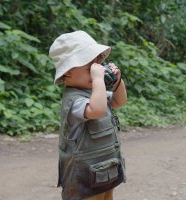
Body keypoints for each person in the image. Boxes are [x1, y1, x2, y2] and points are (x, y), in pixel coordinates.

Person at [49, 30, 127, 200]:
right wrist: (98, 79)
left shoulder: (93, 91)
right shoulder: (74, 100)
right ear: (68, 71)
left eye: (98, 64)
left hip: (104, 169)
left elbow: (118, 102)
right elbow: (97, 110)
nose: (96, 70)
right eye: (90, 69)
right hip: (84, 176)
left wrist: (117, 81)